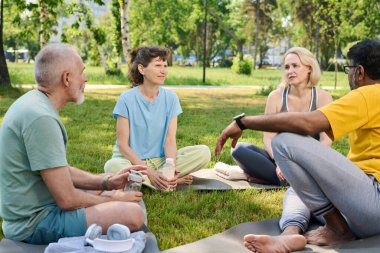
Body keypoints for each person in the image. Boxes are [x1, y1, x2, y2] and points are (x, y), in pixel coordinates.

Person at [215, 38, 380, 253]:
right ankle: (290, 235)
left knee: (285, 141)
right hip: (363, 208)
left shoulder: (370, 94)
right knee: (298, 189)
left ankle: (337, 229)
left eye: (349, 69)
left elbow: (306, 123)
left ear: (360, 71)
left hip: (371, 205)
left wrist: (242, 122)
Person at [0, 43, 147, 245]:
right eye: (82, 72)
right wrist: (113, 200)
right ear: (67, 78)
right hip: (34, 224)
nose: (85, 78)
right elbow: (67, 199)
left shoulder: (35, 104)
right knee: (134, 214)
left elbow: (59, 171)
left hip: (43, 207)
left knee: (109, 192)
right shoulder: (41, 118)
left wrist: (106, 182)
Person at [217, 47, 332, 186]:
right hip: (279, 157)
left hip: (311, 161)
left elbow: (326, 140)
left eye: (295, 66)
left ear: (309, 68)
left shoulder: (323, 97)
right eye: (287, 67)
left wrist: (305, 162)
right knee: (238, 149)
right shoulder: (275, 96)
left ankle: (272, 179)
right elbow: (268, 138)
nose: (290, 71)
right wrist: (279, 163)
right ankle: (285, 179)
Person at [104, 46, 211, 191]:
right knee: (111, 166)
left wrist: (170, 167)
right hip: (130, 161)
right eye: (158, 65)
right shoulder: (126, 99)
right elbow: (123, 145)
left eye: (165, 66)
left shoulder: (171, 99)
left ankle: (150, 181)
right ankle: (167, 182)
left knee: (204, 152)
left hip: (160, 161)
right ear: (142, 69)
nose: (163, 70)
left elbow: (170, 140)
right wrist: (149, 171)